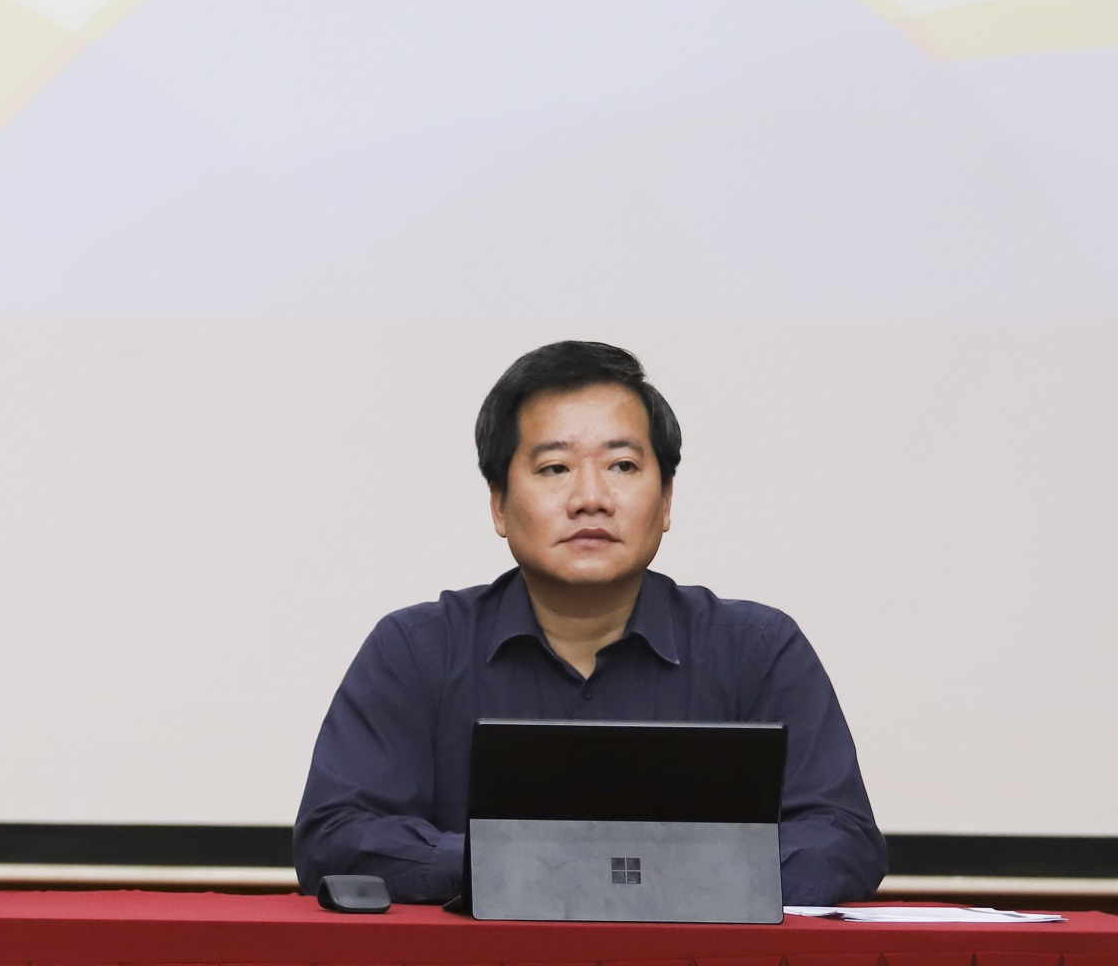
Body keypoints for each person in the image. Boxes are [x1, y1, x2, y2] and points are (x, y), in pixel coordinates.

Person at [295, 340, 885, 906]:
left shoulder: (755, 651)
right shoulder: (416, 650)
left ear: (667, 500)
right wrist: (532, 865)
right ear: (499, 504)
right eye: (555, 468)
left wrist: (615, 871)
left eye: (622, 465)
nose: (591, 498)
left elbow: (841, 840)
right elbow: (337, 836)